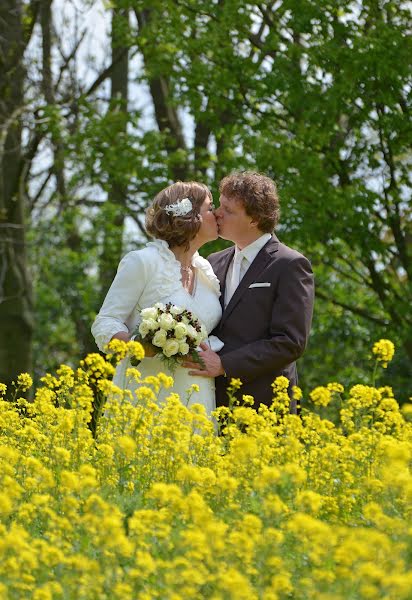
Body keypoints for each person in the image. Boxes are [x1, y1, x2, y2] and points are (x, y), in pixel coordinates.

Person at [186, 171, 314, 412]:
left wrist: (225, 364)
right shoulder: (212, 262)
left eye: (228, 210)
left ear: (254, 219)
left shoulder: (290, 265)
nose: (217, 214)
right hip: (212, 402)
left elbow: (290, 342)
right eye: (218, 205)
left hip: (265, 404)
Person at [91, 181, 222, 415]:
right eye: (210, 208)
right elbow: (105, 323)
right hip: (146, 390)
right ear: (191, 217)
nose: (217, 214)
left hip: (197, 392)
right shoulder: (143, 262)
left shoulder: (206, 271)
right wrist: (141, 345)